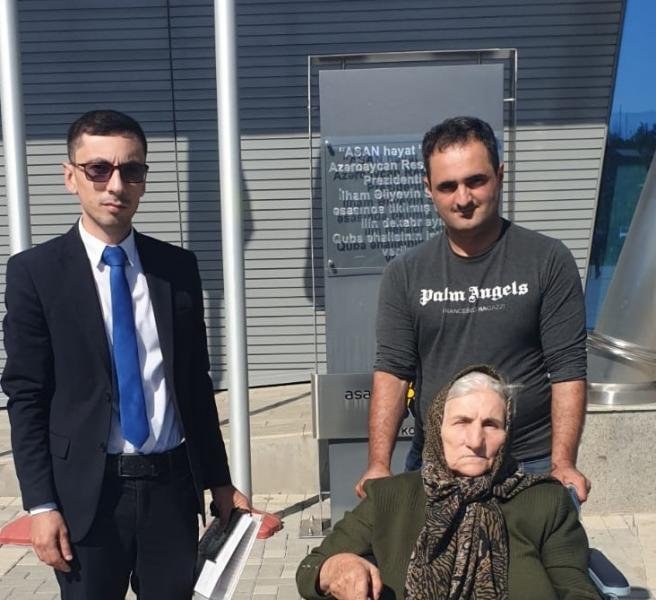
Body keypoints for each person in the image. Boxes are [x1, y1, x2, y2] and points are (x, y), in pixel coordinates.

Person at [1, 109, 249, 599]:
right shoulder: (36, 273)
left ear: (143, 179)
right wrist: (41, 505)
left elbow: (194, 384)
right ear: (70, 176)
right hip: (87, 499)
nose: (115, 185)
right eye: (99, 169)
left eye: (131, 170)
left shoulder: (176, 268)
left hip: (171, 491)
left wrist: (220, 481)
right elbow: (26, 396)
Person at [355, 116, 590, 502]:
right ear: (428, 189)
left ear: (499, 175)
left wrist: (562, 462)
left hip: (527, 464)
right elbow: (393, 372)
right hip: (437, 464)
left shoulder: (547, 260)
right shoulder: (405, 273)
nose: (462, 199)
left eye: (475, 181)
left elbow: (567, 370)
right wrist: (378, 463)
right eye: (447, 186)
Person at [298, 366, 601, 600]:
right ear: (437, 428)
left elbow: (577, 589)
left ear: (507, 434)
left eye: (491, 425)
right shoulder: (390, 497)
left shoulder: (545, 502)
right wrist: (336, 567)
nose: (475, 440)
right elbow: (311, 569)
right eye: (461, 422)